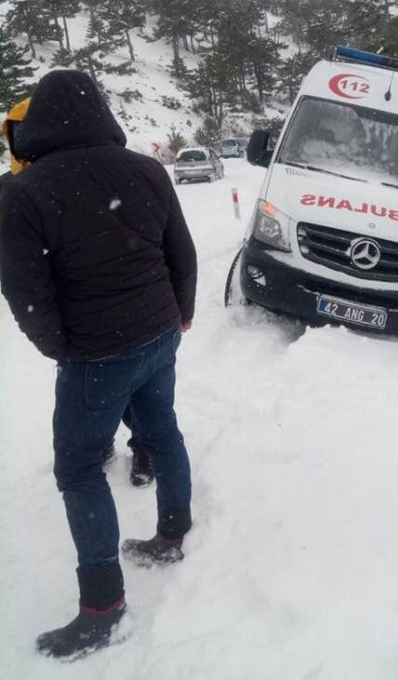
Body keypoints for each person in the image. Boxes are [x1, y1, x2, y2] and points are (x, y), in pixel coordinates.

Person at [0, 69, 197, 660]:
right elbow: (180, 250)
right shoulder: (147, 169)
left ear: (38, 123)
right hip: (160, 333)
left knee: (80, 468)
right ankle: (172, 533)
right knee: (160, 430)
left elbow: (25, 290)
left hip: (98, 351)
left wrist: (62, 346)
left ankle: (103, 609)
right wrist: (181, 313)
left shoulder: (23, 192)